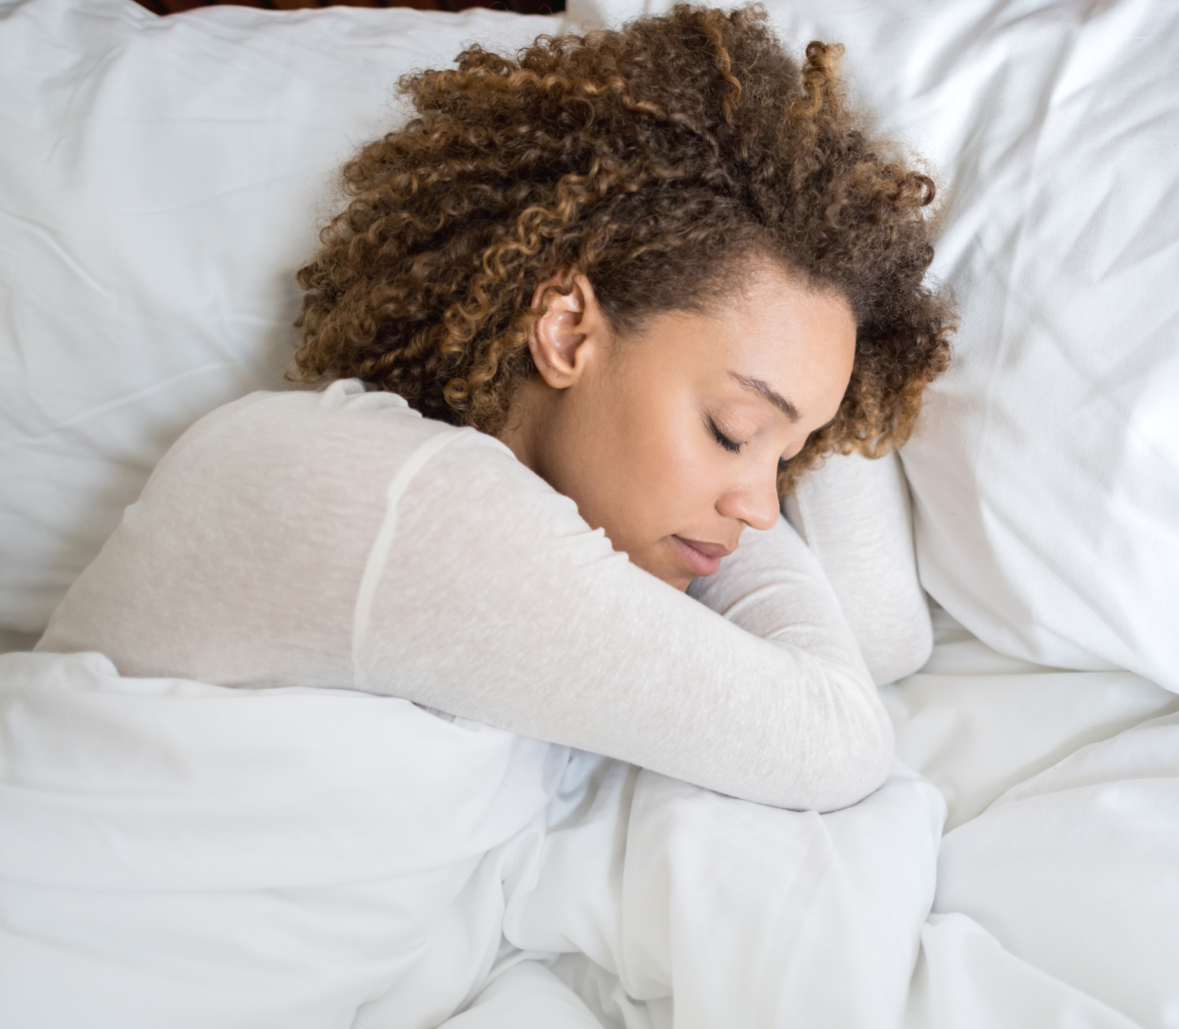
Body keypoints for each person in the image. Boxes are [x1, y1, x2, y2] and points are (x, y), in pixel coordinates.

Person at [36, 4, 951, 811]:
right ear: (564, 332)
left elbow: (879, 638)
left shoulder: (543, 524)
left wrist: (821, 336)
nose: (761, 506)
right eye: (732, 431)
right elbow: (833, 737)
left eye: (787, 465)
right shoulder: (396, 502)